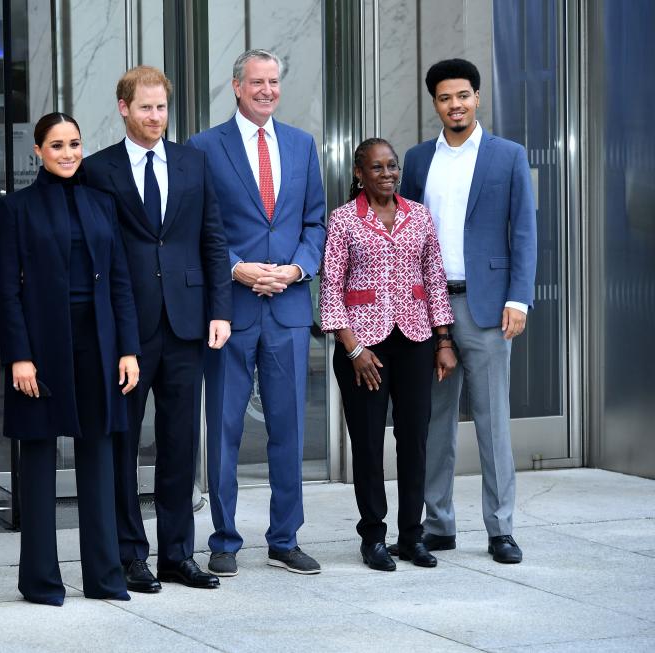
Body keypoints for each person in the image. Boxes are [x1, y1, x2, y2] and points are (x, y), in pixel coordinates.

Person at [84, 66, 232, 592]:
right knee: (124, 443)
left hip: (189, 323)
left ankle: (176, 554)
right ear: (123, 108)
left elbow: (212, 240)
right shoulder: (98, 170)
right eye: (145, 107)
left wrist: (220, 311)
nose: (155, 117)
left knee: (179, 443)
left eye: (162, 107)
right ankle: (130, 554)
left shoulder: (194, 162)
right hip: (129, 328)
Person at [0, 112, 141, 605]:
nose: (68, 153)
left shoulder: (103, 203)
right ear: (38, 150)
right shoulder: (16, 209)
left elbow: (120, 282)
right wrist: (19, 357)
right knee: (36, 461)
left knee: (99, 456)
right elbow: (5, 292)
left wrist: (128, 349)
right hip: (41, 347)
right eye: (57, 145)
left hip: (98, 344)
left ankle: (104, 577)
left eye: (74, 143)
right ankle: (40, 582)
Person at [188, 49, 326, 576]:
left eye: (274, 81)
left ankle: (285, 537)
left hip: (288, 307)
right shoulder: (204, 148)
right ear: (236, 86)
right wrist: (237, 268)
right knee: (223, 428)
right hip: (232, 307)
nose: (267, 90)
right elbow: (197, 226)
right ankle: (224, 537)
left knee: (288, 428)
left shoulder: (302, 144)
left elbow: (315, 222)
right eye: (257, 82)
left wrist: (295, 270)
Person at [394, 58, 537, 564]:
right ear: (434, 103)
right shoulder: (415, 161)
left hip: (488, 306)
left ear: (477, 97)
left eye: (463, 95)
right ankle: (438, 525)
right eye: (444, 97)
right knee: (431, 419)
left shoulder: (507, 156)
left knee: (492, 421)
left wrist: (518, 298)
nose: (455, 105)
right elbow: (402, 236)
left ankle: (501, 529)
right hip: (428, 307)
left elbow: (523, 231)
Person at [319, 138, 456, 571]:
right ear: (359, 172)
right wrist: (353, 347)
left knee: (414, 439)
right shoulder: (343, 220)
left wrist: (444, 339)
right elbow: (330, 288)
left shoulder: (419, 216)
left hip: (414, 340)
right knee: (367, 442)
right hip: (362, 346)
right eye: (376, 167)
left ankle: (412, 537)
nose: (387, 174)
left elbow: (434, 278)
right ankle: (373, 537)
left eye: (392, 166)